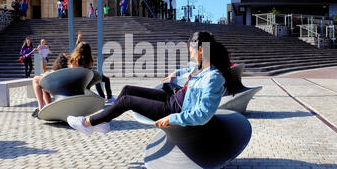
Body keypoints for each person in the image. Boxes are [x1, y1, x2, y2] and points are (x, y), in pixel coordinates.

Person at [67, 31, 237, 135]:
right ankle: (103, 123)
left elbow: (203, 114)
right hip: (171, 98)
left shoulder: (213, 77)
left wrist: (172, 118)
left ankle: (88, 123)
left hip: (173, 109)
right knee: (126, 89)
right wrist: (176, 73)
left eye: (191, 49)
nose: (189, 53)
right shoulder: (201, 66)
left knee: (126, 101)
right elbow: (189, 70)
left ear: (201, 49)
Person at [75, 31, 115, 103]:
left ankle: (103, 97)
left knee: (98, 80)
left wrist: (78, 40)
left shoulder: (78, 56)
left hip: (86, 76)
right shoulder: (86, 57)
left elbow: (77, 49)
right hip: (89, 76)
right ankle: (108, 97)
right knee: (103, 79)